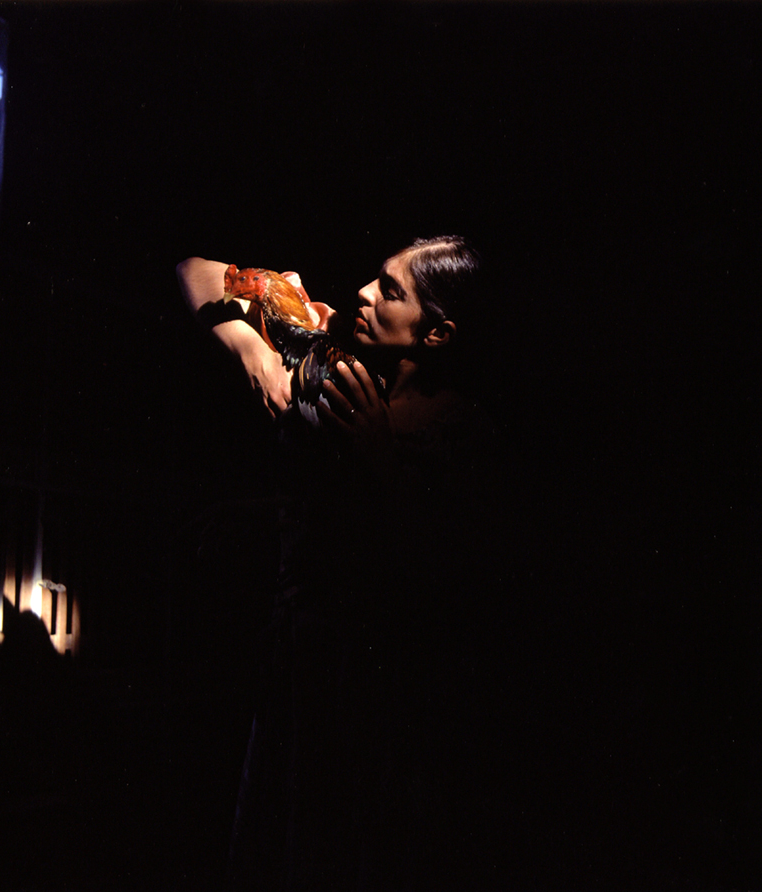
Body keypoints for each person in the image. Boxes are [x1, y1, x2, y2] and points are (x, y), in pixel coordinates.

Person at [177, 237, 503, 890]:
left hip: (382, 688)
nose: (364, 293)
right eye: (377, 278)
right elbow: (197, 272)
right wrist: (251, 353)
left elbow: (452, 580)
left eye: (391, 292)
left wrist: (380, 461)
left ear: (437, 333)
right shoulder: (330, 353)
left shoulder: (464, 436)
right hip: (295, 656)